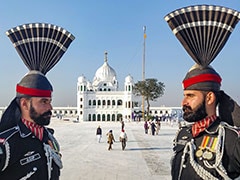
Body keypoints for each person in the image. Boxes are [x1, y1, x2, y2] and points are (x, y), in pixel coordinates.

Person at [165, 5, 240, 180]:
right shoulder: (184, 134)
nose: (183, 102)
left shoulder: (230, 140)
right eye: (185, 95)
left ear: (210, 97)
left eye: (190, 95)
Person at [0, 23, 74, 179]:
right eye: (43, 102)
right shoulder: (7, 144)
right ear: (25, 104)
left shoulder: (48, 138)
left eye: (50, 101)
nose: (50, 107)